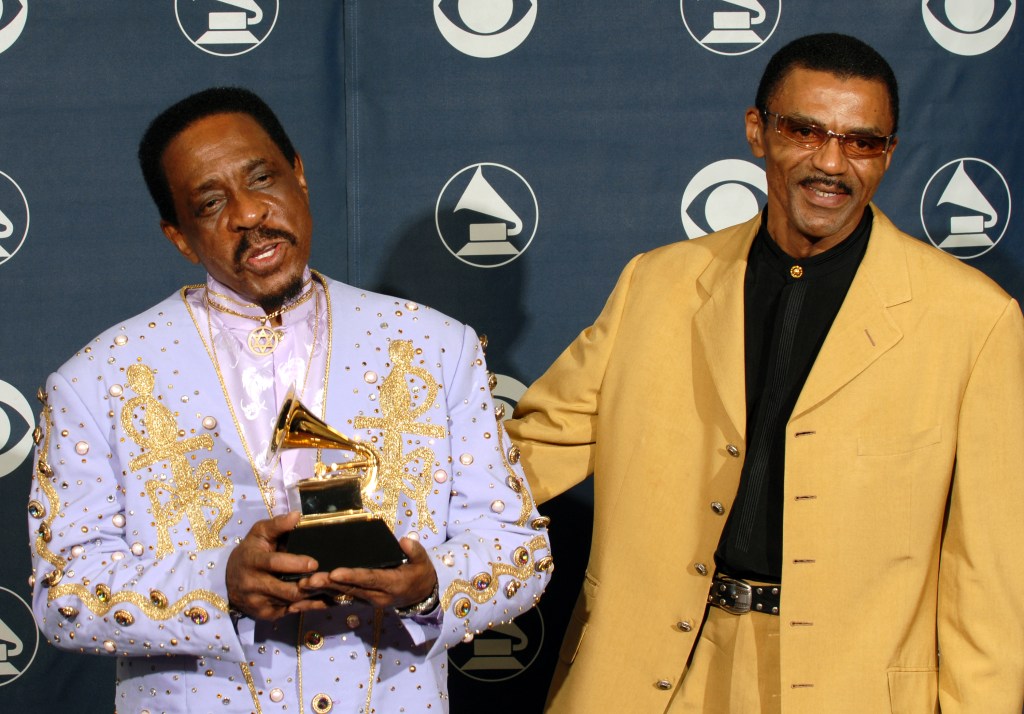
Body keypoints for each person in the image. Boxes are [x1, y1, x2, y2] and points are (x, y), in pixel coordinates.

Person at [505, 33, 1024, 713]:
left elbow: (989, 578)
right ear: (758, 132)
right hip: (657, 675)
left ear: (888, 155)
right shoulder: (656, 285)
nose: (831, 163)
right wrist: (366, 512)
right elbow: (530, 453)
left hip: (853, 688)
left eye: (861, 142)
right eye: (806, 131)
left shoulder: (972, 320)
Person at [27, 87, 552, 713]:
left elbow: (518, 549)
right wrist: (218, 583)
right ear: (179, 237)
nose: (248, 214)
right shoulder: (95, 382)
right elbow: (64, 593)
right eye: (211, 202)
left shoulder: (436, 347)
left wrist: (430, 583)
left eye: (262, 178)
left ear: (298, 175)